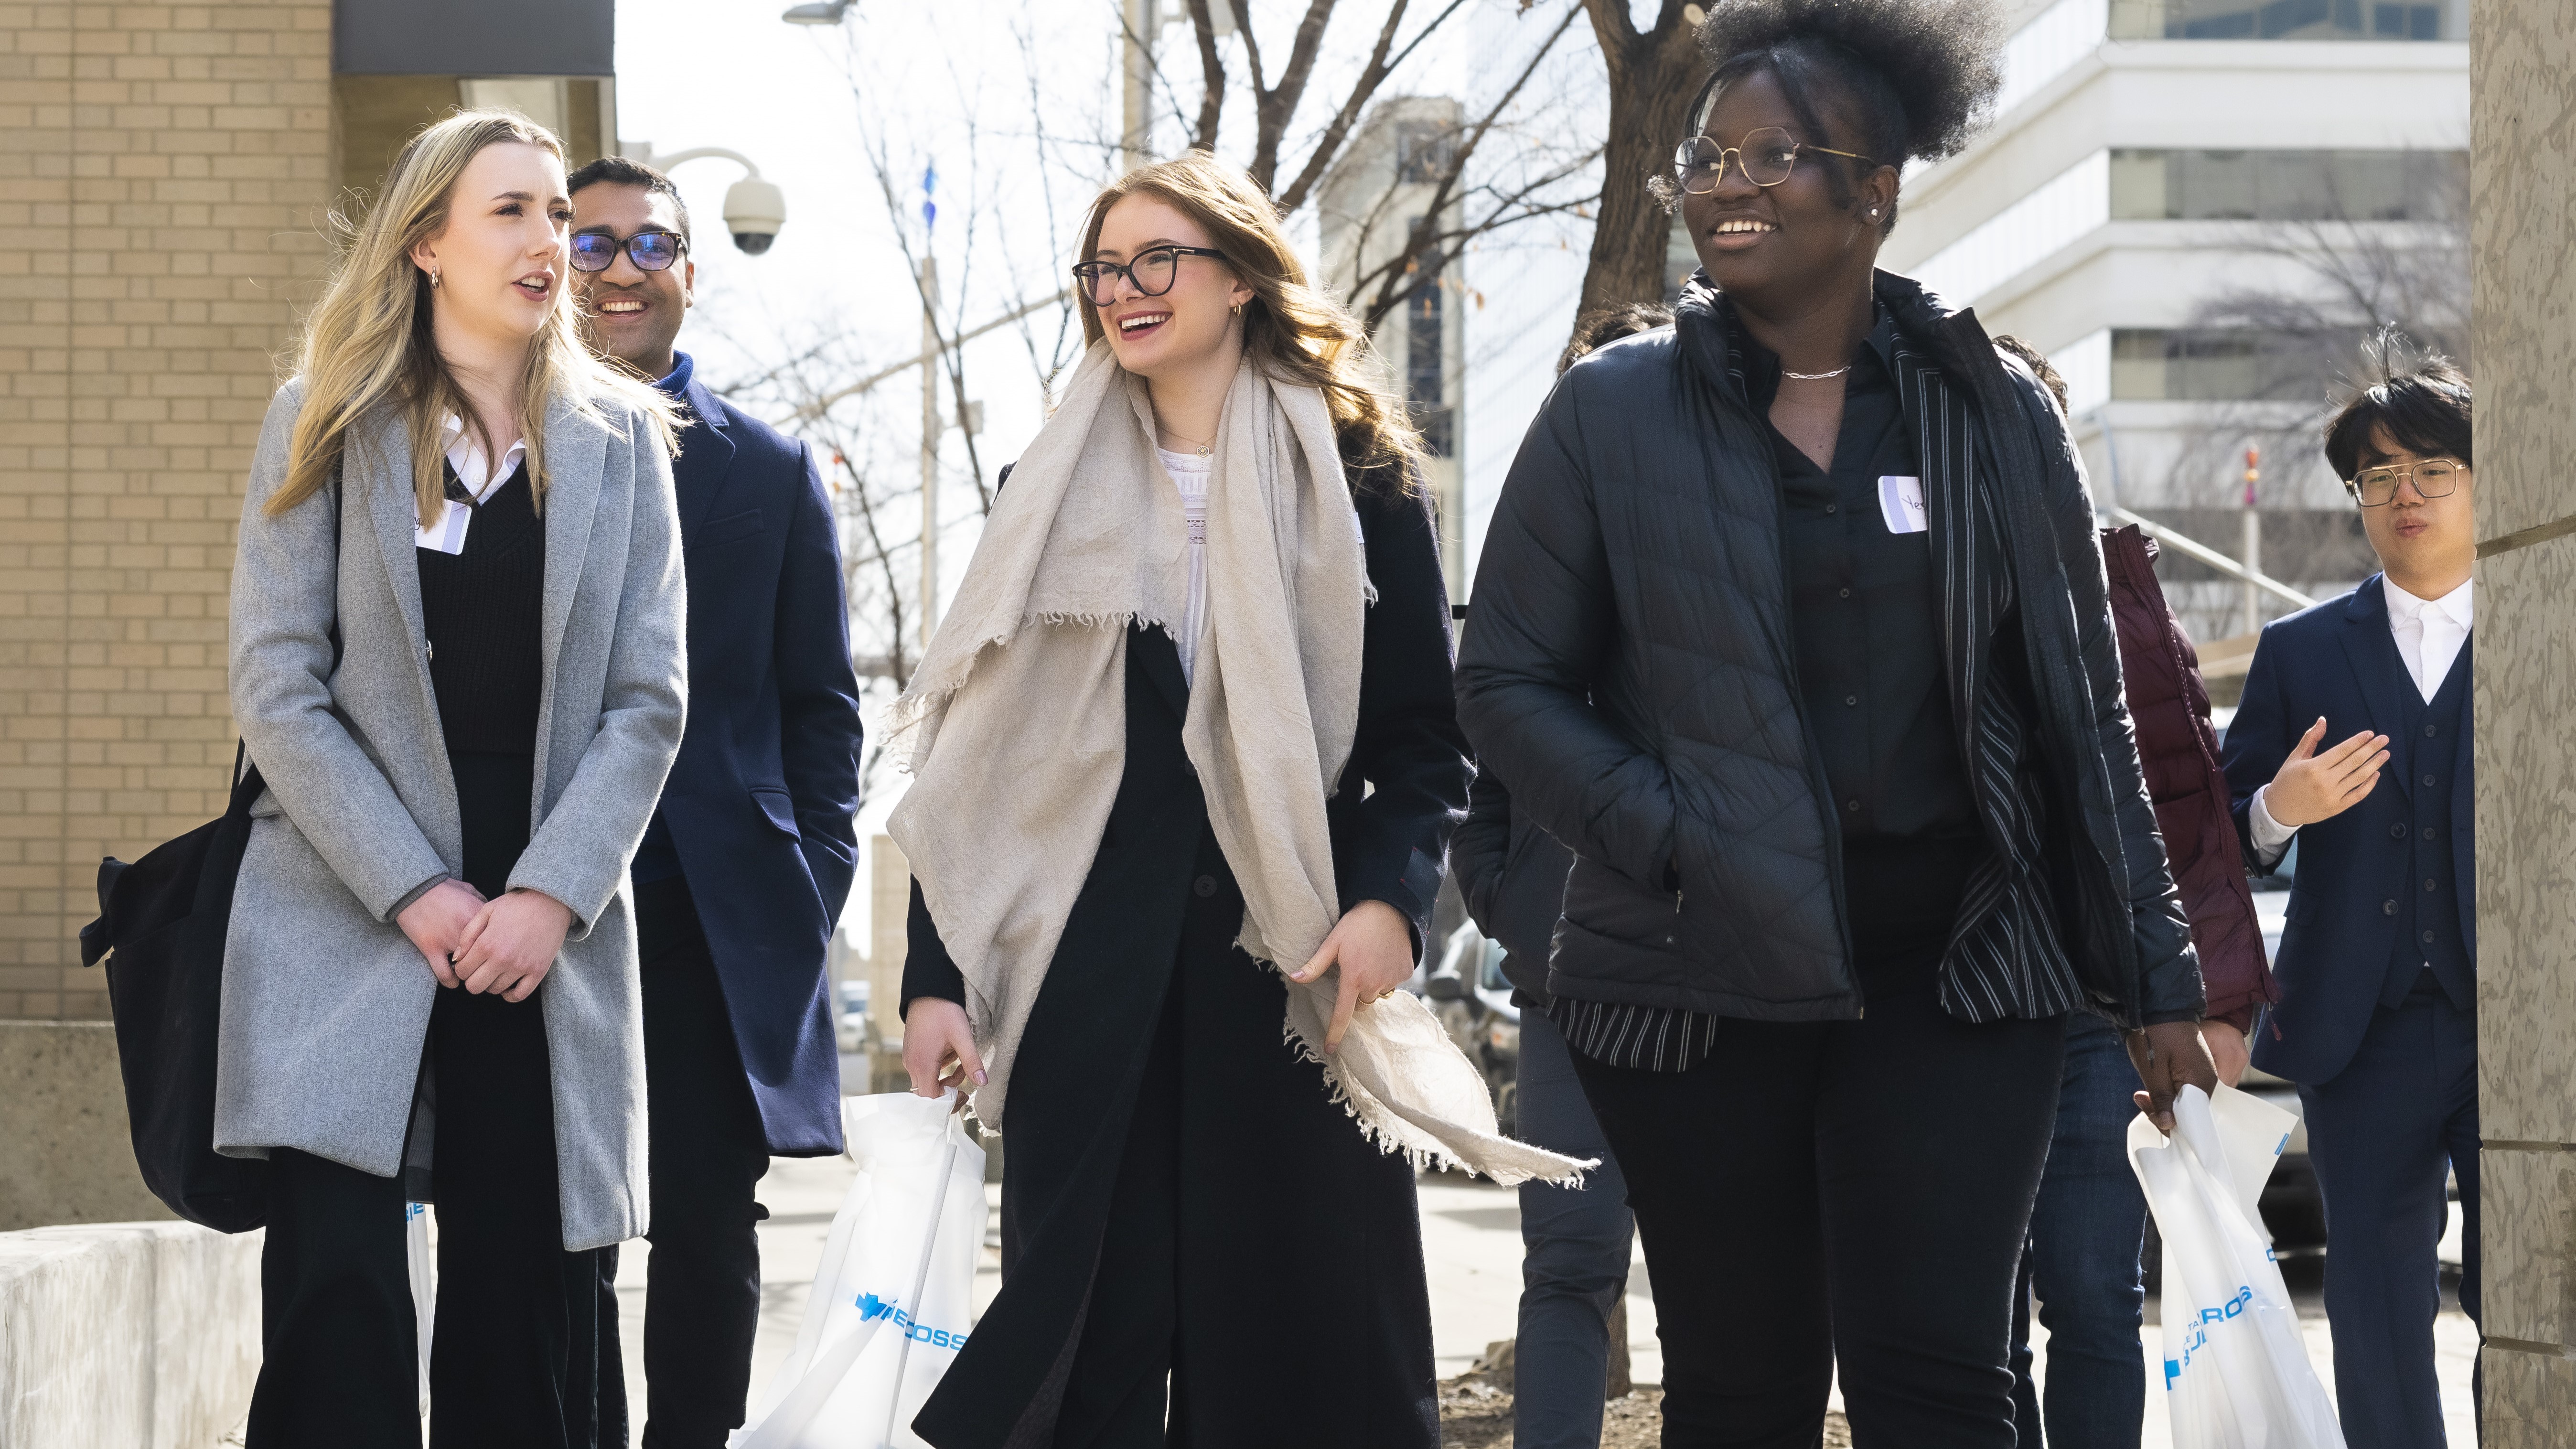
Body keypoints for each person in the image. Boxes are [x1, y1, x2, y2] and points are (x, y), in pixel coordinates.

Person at [1451, 0, 2222, 1441]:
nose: (1724, 182)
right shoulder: (1608, 414)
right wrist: (1673, 839)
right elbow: (1505, 682)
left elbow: (2084, 705)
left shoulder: (1995, 413)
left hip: (1960, 972)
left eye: (1773, 155)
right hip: (1693, 983)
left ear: (1877, 190)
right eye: (1707, 153)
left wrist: (2161, 980)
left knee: (1940, 1379)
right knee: (1744, 1385)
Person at [889, 150, 1568, 1449]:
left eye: (1159, 260)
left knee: (1303, 1357)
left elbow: (1426, 736)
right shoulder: (1046, 488)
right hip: (1087, 981)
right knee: (1091, 1353)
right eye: (1104, 267)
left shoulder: (1360, 475)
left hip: (1293, 969)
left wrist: (1388, 902)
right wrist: (936, 975)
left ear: (1243, 276)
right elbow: (978, 765)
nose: (1125, 290)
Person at [221, 110, 685, 1448]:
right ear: (428, 243)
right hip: (341, 900)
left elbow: (649, 703)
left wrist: (548, 895)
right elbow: (277, 684)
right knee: (340, 1293)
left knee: (530, 1296)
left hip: (543, 923)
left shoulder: (623, 443)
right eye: (514, 212)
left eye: (558, 215)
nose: (553, 242)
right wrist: (414, 885)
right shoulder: (323, 422)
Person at [566, 156, 865, 1449]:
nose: (622, 268)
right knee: (553, 1214)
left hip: (714, 914)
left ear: (691, 271)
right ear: (549, 270)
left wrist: (811, 883)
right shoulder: (495, 450)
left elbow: (822, 709)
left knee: (703, 1217)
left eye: (651, 245)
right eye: (592, 245)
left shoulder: (775, 470)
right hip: (544, 905)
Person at [1992, 338, 2275, 1449]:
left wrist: (2217, 999)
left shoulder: (2121, 592)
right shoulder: (1907, 574)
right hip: (1956, 995)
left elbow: (2191, 816)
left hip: (2101, 1012)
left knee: (2095, 1294)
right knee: (1973, 1317)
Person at [2220, 331, 2478, 1448]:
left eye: (2430, 468)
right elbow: (2221, 843)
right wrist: (2279, 807)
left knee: (2527, 1304)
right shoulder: (2297, 649)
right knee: (2373, 1312)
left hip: (2516, 1027)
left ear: (2479, 479)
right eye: (2376, 476)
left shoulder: (2549, 626)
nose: (2403, 493)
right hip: (2354, 1030)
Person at [1452, 301, 1668, 1449]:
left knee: (1727, 1277)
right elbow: (1480, 776)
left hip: (1720, 983)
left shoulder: (1718, 549)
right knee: (1569, 1267)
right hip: (1567, 987)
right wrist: (1508, 901)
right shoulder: (1528, 572)